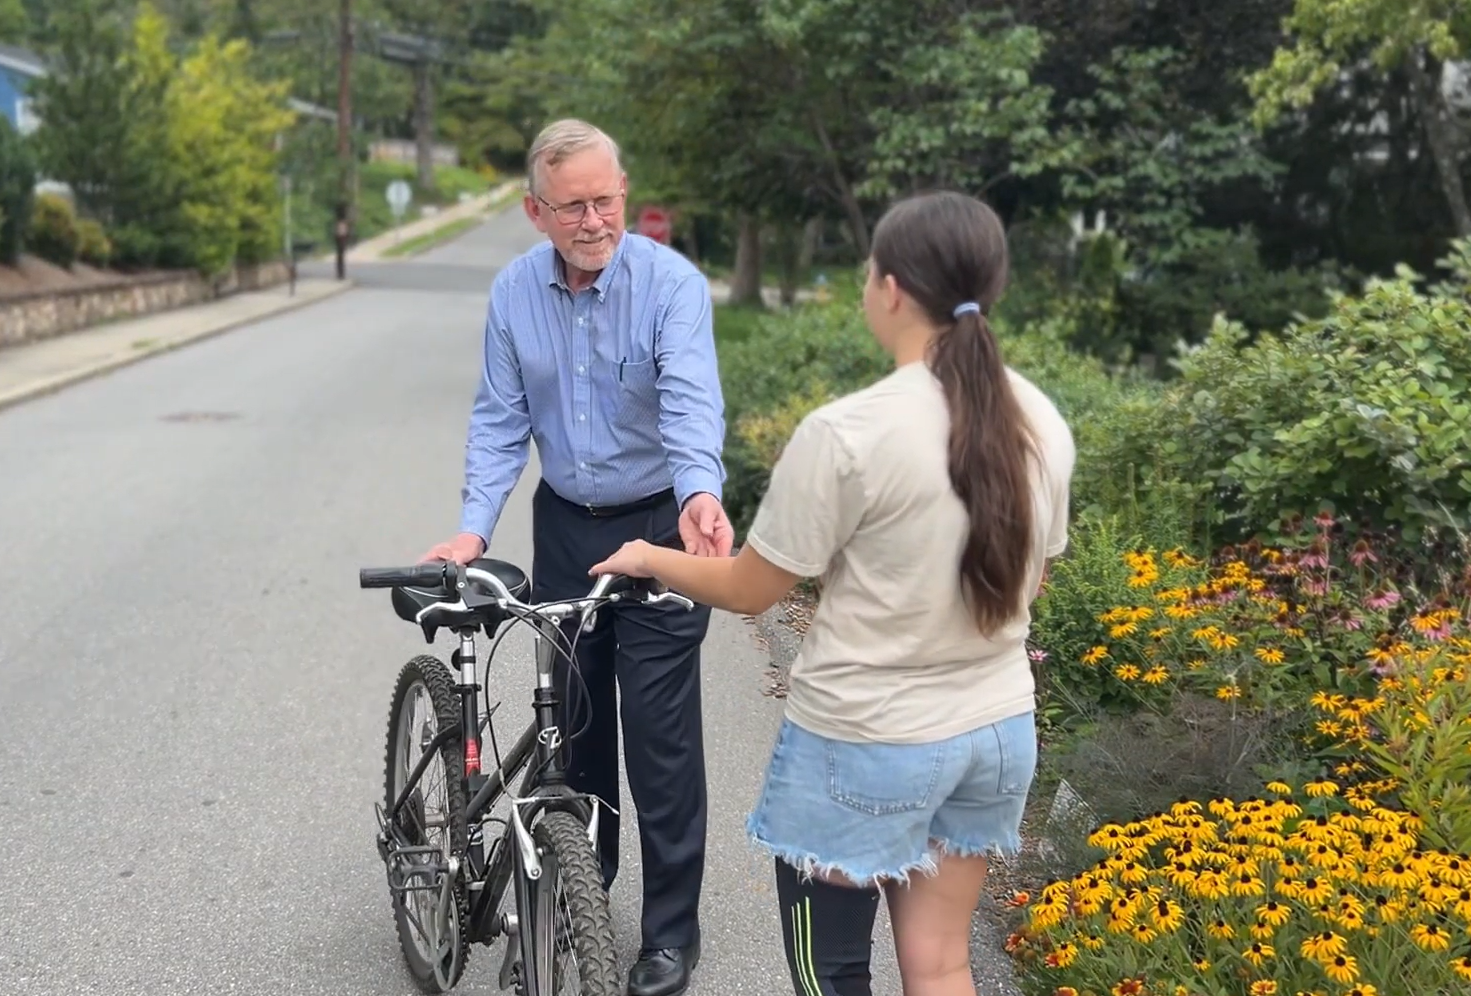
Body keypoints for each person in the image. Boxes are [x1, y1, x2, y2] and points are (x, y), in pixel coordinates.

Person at [589, 189, 1076, 996]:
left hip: (865, 744)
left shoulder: (848, 434)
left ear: (887, 288)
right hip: (993, 735)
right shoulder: (1040, 421)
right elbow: (1036, 576)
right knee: (942, 964)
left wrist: (649, 556)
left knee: (833, 973)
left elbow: (751, 589)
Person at [420, 118, 731, 996]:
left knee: (660, 741)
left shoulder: (672, 287)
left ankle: (670, 935)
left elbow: (688, 403)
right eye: (573, 206)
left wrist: (700, 492)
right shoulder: (513, 295)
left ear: (623, 194)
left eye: (607, 200)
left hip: (664, 530)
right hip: (567, 524)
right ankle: (581, 895)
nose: (594, 220)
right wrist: (474, 527)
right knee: (574, 725)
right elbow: (497, 418)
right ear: (535, 210)